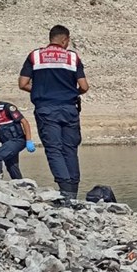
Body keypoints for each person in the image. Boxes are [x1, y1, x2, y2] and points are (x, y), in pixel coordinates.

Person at [19, 24, 88, 200]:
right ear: (65, 40)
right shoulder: (72, 57)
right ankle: (73, 194)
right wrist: (70, 93)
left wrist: (40, 92)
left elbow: (23, 83)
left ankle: (65, 193)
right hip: (69, 109)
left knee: (54, 150)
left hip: (46, 109)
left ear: (51, 38)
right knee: (70, 150)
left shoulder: (35, 56)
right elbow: (84, 86)